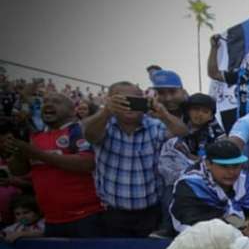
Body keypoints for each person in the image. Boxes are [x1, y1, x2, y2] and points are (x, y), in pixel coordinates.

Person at [82, 81, 188, 237]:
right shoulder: (103, 125)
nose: (128, 105)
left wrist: (163, 114)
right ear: (110, 101)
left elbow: (182, 132)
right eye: (121, 100)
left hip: (151, 213)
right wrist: (106, 112)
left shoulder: (155, 126)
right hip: (113, 214)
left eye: (134, 100)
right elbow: (90, 135)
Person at [5, 92, 104, 237]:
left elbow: (87, 164)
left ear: (72, 110)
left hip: (86, 217)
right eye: (46, 101)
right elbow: (19, 171)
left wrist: (37, 153)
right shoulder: (35, 136)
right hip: (51, 219)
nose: (49, 104)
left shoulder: (79, 130)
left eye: (56, 101)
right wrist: (16, 153)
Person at [156, 93, 226, 237]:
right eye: (195, 109)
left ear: (211, 115)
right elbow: (167, 157)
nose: (199, 114)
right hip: (176, 176)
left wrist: (190, 157)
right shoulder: (175, 128)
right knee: (169, 194)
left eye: (205, 111)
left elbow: (218, 159)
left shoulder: (217, 134)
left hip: (207, 180)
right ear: (188, 111)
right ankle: (167, 227)